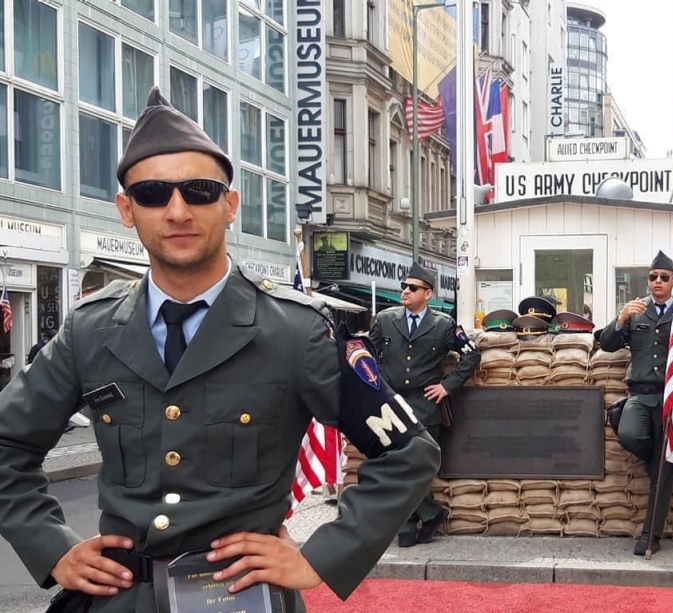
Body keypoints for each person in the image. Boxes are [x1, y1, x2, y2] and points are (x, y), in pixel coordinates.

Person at [0, 88, 440, 613]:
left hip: (240, 598)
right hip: (117, 599)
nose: (178, 210)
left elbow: (409, 452)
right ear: (126, 209)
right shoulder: (90, 330)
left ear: (230, 205)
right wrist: (53, 548)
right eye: (154, 194)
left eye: (200, 191)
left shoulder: (296, 332)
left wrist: (322, 556)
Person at [369, 263, 481, 547]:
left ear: (428, 294)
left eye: (412, 288)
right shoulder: (384, 319)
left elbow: (471, 355)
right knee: (396, 465)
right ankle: (420, 517)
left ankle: (421, 518)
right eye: (403, 287)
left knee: (418, 465)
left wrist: (447, 386)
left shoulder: (443, 325)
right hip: (391, 404)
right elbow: (369, 354)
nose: (405, 291)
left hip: (425, 406)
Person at [599, 250, 673, 556]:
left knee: (663, 470)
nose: (657, 282)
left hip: (671, 397)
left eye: (664, 277)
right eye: (653, 277)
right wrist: (620, 319)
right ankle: (655, 459)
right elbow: (606, 344)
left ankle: (650, 535)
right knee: (630, 433)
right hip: (641, 394)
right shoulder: (636, 310)